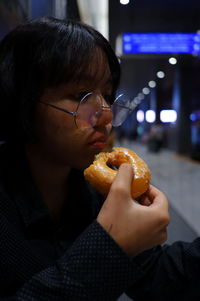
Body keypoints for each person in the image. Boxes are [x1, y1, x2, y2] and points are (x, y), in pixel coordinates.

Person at [0, 16, 169, 300]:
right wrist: (111, 247)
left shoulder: (94, 193)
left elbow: (158, 276)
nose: (106, 116)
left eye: (107, 95)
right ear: (22, 100)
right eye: (81, 95)